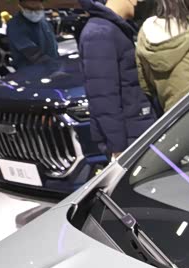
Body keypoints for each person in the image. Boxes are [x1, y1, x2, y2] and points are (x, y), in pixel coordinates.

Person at [78, 0, 156, 160]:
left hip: (137, 131)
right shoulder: (99, 33)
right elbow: (103, 98)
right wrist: (118, 149)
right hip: (129, 140)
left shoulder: (113, 29)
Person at [6, 0, 58, 70]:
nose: (34, 12)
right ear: (21, 6)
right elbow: (30, 51)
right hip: (31, 71)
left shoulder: (43, 21)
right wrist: (52, 65)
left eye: (37, 8)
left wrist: (59, 62)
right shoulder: (15, 25)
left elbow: (53, 45)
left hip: (52, 68)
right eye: (29, 9)